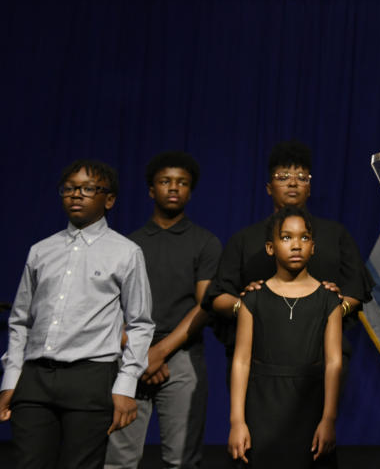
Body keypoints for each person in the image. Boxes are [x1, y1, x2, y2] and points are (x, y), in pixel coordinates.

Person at [0, 160, 153, 469]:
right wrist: (11, 378)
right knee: (27, 462)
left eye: (87, 189)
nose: (76, 195)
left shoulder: (126, 252)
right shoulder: (41, 250)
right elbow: (20, 320)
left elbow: (140, 324)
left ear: (109, 199)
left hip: (91, 377)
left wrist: (126, 385)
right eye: (69, 189)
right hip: (36, 377)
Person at [203, 140, 371, 370]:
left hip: (322, 357)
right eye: (283, 177)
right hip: (256, 359)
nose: (293, 182)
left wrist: (334, 309)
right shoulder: (243, 240)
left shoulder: (336, 235)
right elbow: (218, 296)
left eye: (302, 177)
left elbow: (356, 290)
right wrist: (244, 307)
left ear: (309, 188)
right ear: (269, 187)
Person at [104, 152, 222, 469]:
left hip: (182, 355)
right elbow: (111, 309)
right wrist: (142, 353)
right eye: (165, 181)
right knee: (119, 459)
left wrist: (159, 352)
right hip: (130, 353)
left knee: (182, 460)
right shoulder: (127, 244)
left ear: (190, 191)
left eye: (182, 183)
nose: (173, 188)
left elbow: (205, 306)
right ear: (151, 190)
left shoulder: (205, 242)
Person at [228, 206, 342, 467]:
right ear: (271, 247)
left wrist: (328, 419)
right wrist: (237, 421)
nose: (296, 245)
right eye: (287, 237)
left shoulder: (329, 300)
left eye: (304, 237)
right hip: (262, 407)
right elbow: (241, 361)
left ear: (313, 246)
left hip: (309, 405)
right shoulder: (253, 299)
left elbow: (334, 363)